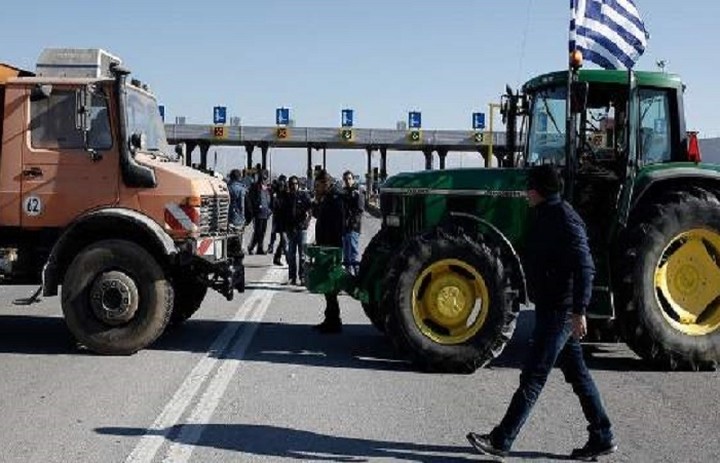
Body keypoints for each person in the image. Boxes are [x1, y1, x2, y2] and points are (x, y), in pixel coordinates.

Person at [466, 165, 616, 461]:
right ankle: (602, 436)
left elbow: (585, 266)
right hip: (552, 308)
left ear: (537, 190)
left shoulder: (565, 218)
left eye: (528, 188)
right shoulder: (546, 214)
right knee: (578, 375)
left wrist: (579, 311)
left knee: (533, 377)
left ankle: (501, 439)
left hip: (560, 311)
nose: (524, 193)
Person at [311, 170, 345, 334]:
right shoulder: (327, 198)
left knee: (330, 285)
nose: (315, 189)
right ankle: (330, 318)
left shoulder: (335, 199)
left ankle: (334, 321)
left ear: (326, 184)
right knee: (328, 287)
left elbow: (337, 225)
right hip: (326, 246)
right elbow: (317, 216)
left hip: (331, 247)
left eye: (318, 186)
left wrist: (330, 247)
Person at [279, 175, 312, 285]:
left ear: (298, 185)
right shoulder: (286, 197)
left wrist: (306, 224)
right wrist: (284, 228)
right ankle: (292, 277)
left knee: (302, 255)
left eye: (295, 184)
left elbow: (310, 211)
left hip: (301, 229)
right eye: (292, 184)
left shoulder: (303, 196)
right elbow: (282, 214)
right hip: (290, 230)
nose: (294, 186)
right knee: (291, 255)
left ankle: (302, 277)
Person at [341, 170, 364, 276]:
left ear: (353, 179)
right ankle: (347, 276)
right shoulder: (343, 193)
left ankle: (357, 276)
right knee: (346, 254)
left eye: (349, 179)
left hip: (353, 227)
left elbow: (360, 210)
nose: (347, 181)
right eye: (346, 179)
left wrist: (352, 222)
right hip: (344, 227)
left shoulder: (357, 192)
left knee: (353, 253)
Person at [247, 169, 272, 255]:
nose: (264, 180)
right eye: (263, 178)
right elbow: (251, 199)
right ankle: (251, 247)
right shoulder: (255, 187)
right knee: (258, 231)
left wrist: (270, 209)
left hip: (265, 212)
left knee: (263, 232)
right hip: (258, 213)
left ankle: (260, 248)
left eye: (265, 178)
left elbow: (269, 199)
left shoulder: (268, 188)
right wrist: (253, 210)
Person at [268, 175, 288, 265]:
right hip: (278, 219)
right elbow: (272, 206)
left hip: (285, 219)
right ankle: (289, 260)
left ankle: (277, 257)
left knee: (283, 241)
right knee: (284, 240)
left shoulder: (286, 194)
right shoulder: (275, 194)